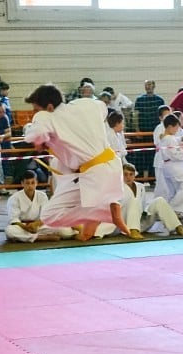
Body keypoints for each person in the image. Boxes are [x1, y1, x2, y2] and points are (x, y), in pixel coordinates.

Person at [23, 83, 129, 240]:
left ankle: (103, 211)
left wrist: (41, 139)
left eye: (36, 109)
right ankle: (102, 212)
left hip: (94, 174)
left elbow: (35, 138)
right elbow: (103, 108)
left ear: (50, 107)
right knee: (84, 233)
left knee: (49, 216)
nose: (34, 113)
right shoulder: (85, 104)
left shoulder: (46, 117)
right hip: (110, 165)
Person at [5, 170, 76, 243]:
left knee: (65, 231)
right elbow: (14, 219)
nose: (30, 186)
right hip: (22, 226)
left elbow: (46, 216)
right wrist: (26, 227)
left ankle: (29, 237)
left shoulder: (42, 196)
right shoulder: (14, 198)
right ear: (22, 183)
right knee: (10, 231)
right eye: (27, 183)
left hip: (39, 225)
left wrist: (36, 224)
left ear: (36, 183)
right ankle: (40, 237)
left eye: (33, 183)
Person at [119, 162, 183, 239]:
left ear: (134, 175)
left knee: (159, 200)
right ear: (121, 175)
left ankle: (177, 227)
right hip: (126, 224)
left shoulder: (140, 186)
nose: (128, 177)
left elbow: (143, 205)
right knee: (134, 201)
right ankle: (133, 231)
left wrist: (144, 213)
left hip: (141, 222)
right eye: (125, 174)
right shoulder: (118, 188)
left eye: (131, 174)